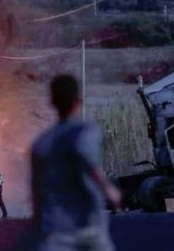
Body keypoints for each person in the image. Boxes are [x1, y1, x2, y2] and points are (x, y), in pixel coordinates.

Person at [31, 75, 122, 251]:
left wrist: (37, 220)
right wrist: (110, 190)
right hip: (88, 227)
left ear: (52, 102)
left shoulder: (40, 144)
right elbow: (89, 162)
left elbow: (36, 190)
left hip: (56, 231)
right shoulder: (86, 132)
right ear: (78, 100)